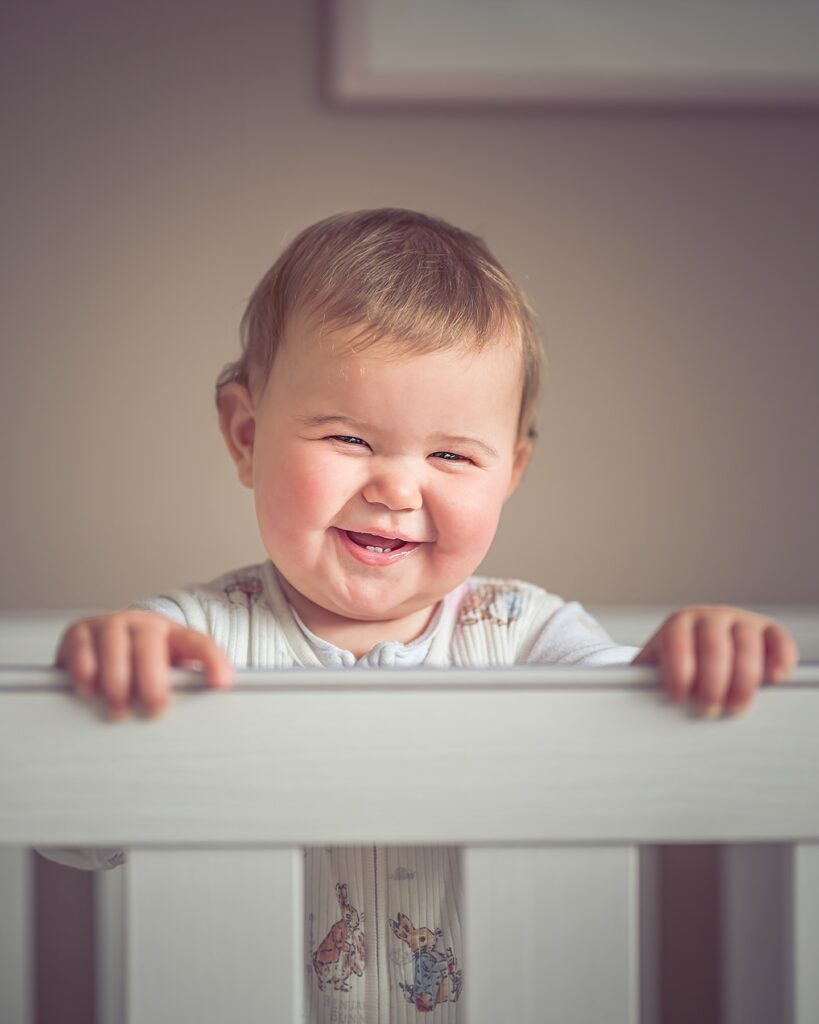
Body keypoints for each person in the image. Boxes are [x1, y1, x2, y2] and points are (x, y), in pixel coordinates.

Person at [44, 208, 799, 1022]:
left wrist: (685, 657)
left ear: (509, 472)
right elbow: (68, 829)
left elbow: (643, 747)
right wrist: (101, 690)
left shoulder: (526, 633)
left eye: (450, 455)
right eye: (348, 438)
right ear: (246, 436)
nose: (396, 490)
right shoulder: (189, 644)